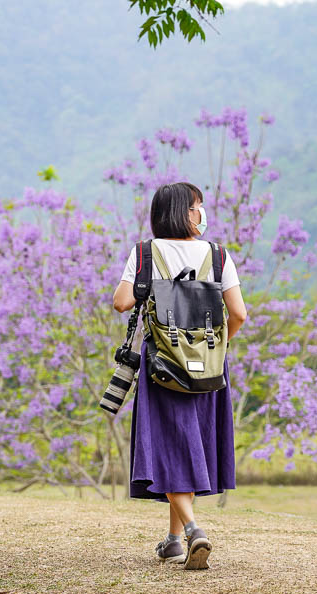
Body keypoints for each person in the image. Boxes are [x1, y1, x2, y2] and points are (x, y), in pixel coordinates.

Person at [111, 181, 247, 570]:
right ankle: (173, 540)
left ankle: (191, 531)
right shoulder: (219, 256)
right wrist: (217, 348)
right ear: (185, 213)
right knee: (191, 446)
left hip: (163, 369)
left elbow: (121, 302)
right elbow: (237, 314)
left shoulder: (145, 254)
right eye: (198, 206)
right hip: (209, 369)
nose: (202, 213)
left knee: (170, 447)